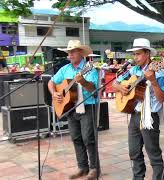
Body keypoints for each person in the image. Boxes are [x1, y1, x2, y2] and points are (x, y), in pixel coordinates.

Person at [112, 38, 164, 180]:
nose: (135, 57)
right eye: (134, 54)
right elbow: (115, 83)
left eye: (138, 54)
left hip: (149, 116)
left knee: (153, 152)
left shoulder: (158, 71)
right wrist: (121, 88)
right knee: (134, 151)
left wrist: (153, 81)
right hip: (135, 114)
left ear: (147, 54)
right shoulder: (134, 70)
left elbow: (162, 98)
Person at [47, 40, 100, 180]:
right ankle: (82, 167)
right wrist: (54, 93)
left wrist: (82, 81)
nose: (70, 55)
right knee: (76, 138)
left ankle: (94, 169)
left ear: (81, 53)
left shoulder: (90, 69)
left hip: (87, 105)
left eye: (73, 52)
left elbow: (94, 90)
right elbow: (51, 82)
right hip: (70, 107)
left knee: (88, 138)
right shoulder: (65, 69)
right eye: (68, 52)